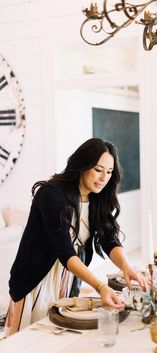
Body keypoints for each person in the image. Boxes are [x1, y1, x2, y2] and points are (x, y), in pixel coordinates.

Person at [5, 137, 147, 336]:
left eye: (109, 172)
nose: (104, 178)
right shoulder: (51, 195)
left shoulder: (96, 198)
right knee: (28, 342)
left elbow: (109, 239)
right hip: (35, 282)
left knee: (60, 341)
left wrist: (126, 266)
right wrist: (100, 287)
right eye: (98, 170)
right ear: (82, 165)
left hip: (69, 281)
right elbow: (65, 252)